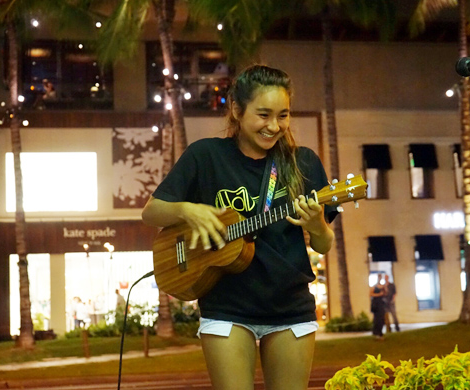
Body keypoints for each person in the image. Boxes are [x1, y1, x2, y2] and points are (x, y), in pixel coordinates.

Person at [141, 64, 337, 390]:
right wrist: (188, 210)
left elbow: (323, 244)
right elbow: (152, 213)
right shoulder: (205, 156)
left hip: (290, 308)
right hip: (226, 308)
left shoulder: (303, 163)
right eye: (263, 114)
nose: (274, 126)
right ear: (236, 109)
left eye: (283, 115)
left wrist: (316, 225)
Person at [370, 274, 386, 340]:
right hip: (376, 304)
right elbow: (370, 294)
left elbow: (385, 293)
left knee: (382, 318)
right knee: (377, 319)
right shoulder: (374, 287)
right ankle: (377, 332)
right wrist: (379, 294)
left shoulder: (383, 287)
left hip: (381, 304)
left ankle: (380, 332)